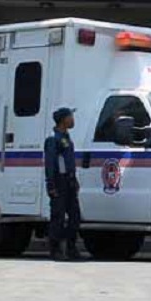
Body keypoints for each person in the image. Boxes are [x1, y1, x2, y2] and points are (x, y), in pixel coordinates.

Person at [44, 107, 82, 261]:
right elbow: (50, 163)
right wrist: (51, 184)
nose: (73, 119)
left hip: (69, 182)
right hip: (59, 182)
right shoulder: (53, 139)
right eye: (70, 116)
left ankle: (71, 247)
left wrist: (74, 180)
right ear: (63, 120)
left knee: (75, 217)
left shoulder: (67, 137)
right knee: (58, 217)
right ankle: (55, 249)